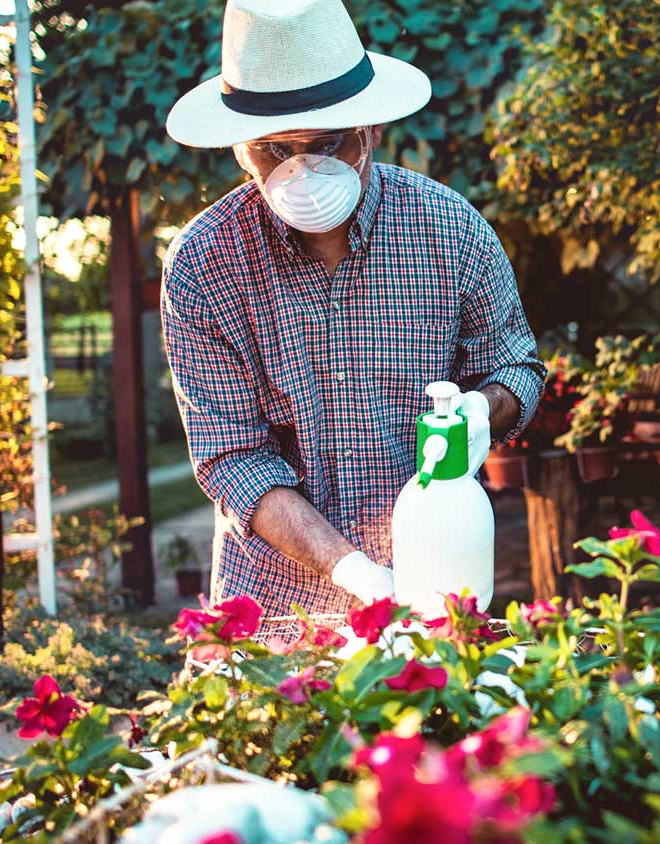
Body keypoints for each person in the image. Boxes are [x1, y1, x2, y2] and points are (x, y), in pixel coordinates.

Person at [160, 0, 544, 620]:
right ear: (238, 150)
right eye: (272, 150)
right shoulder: (204, 263)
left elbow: (518, 368)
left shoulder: (451, 230)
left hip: (436, 586)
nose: (299, 170)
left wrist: (482, 410)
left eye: (324, 144)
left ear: (371, 130)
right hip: (273, 611)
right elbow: (231, 456)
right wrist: (355, 573)